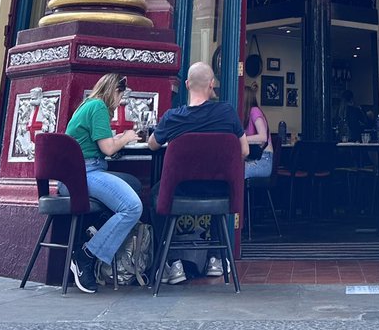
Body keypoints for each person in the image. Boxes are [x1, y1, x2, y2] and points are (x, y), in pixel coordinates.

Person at [148, 62, 249, 281]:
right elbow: (244, 150)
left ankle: (172, 264)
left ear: (186, 84)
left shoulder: (173, 117)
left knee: (154, 196)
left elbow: (152, 145)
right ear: (212, 84)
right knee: (216, 181)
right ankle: (216, 259)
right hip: (220, 193)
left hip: (182, 192)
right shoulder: (227, 112)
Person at [64, 73, 143, 294]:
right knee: (133, 206)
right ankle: (86, 255)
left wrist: (119, 138)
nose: (121, 101)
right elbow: (108, 149)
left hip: (76, 174)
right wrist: (126, 137)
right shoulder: (99, 107)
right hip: (85, 173)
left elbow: (102, 144)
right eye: (121, 95)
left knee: (134, 184)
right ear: (113, 91)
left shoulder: (87, 106)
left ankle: (95, 230)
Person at [242, 83, 273, 179]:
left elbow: (263, 137)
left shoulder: (254, 111)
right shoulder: (246, 115)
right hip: (254, 158)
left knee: (239, 173)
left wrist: (242, 138)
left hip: (264, 160)